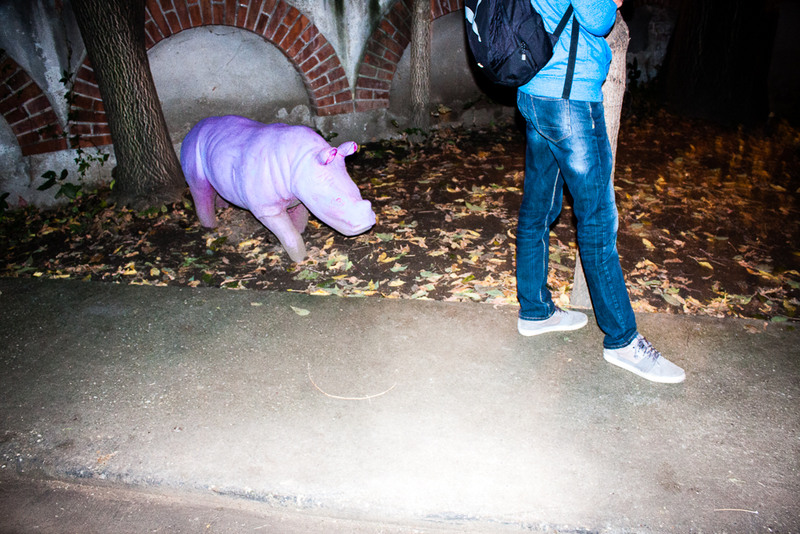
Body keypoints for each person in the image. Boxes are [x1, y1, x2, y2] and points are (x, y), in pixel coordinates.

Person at [514, 0, 685, 384]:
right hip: (569, 97)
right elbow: (598, 18)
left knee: (538, 208)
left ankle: (535, 311)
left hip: (534, 89)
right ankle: (622, 339)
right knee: (597, 221)